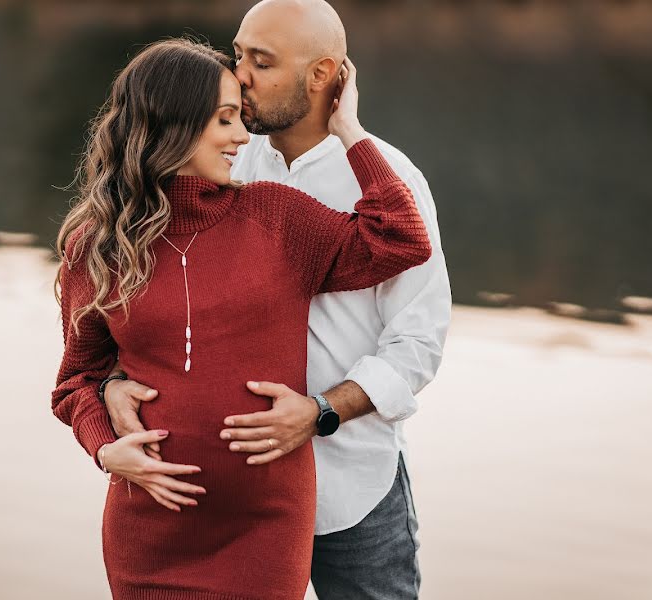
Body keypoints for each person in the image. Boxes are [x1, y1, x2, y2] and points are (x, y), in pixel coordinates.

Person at [51, 36, 431, 600]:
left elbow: (401, 239)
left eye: (239, 118)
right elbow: (74, 382)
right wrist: (106, 448)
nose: (241, 135)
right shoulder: (98, 246)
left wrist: (349, 128)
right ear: (172, 126)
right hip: (150, 529)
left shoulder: (273, 217)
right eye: (224, 120)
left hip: (266, 528)